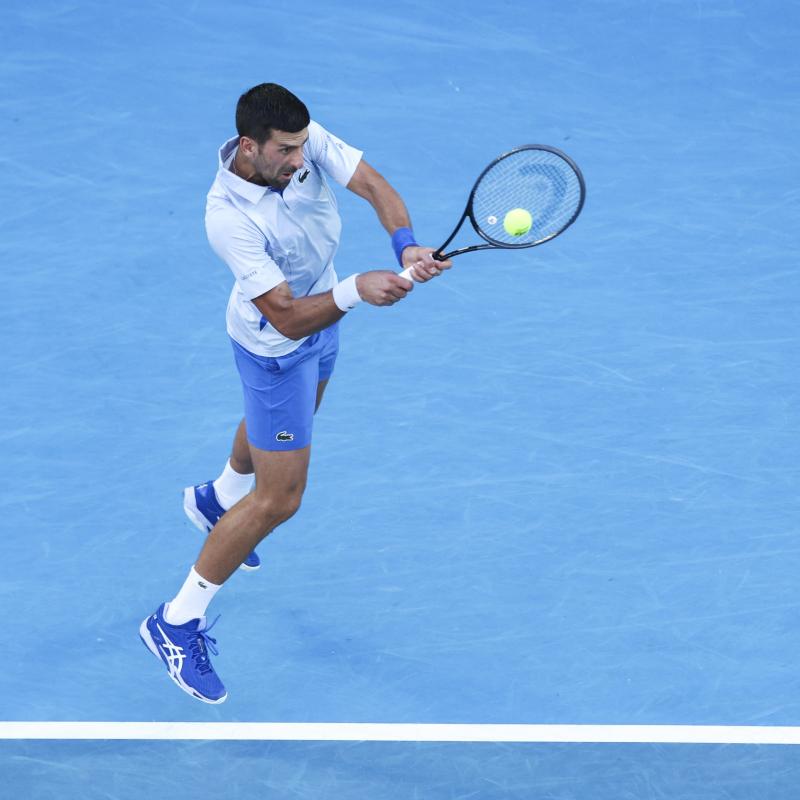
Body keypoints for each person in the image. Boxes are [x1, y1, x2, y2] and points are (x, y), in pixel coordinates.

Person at [140, 83, 451, 703]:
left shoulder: (301, 141)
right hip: (278, 346)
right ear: (250, 146)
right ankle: (175, 621)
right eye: (285, 151)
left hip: (323, 317)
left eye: (302, 146)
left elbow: (373, 186)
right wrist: (358, 291)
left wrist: (404, 244)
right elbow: (283, 317)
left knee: (297, 417)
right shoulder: (226, 217)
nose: (299, 159)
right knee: (280, 499)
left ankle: (217, 497)